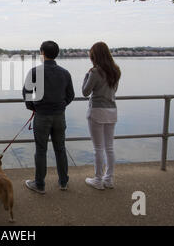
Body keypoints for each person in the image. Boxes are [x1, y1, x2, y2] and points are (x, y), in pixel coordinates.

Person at [22, 40, 75, 194]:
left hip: (42, 115)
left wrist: (33, 107)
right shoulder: (65, 73)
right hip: (59, 115)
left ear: (42, 53)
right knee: (60, 149)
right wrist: (61, 105)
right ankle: (63, 182)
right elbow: (70, 95)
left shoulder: (34, 72)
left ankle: (39, 184)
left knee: (41, 150)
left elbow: (26, 94)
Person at [82, 41, 121, 190]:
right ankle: (109, 179)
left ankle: (98, 179)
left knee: (98, 148)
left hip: (97, 110)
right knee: (109, 147)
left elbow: (85, 92)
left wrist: (87, 75)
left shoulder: (94, 72)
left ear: (94, 56)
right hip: (112, 110)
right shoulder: (116, 71)